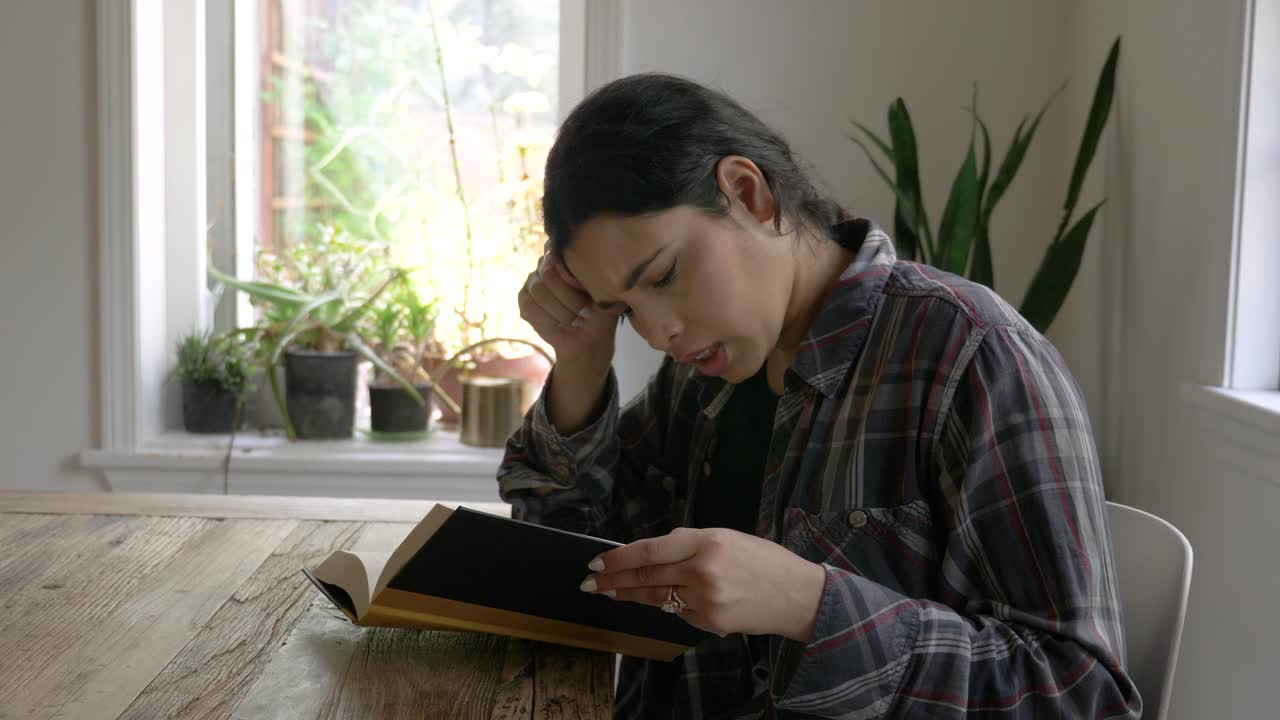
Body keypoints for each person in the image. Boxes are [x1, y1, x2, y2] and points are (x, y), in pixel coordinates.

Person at [497, 73, 1141, 719]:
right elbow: (575, 563)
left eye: (664, 276)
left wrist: (810, 606)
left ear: (748, 192)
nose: (659, 332)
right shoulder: (704, 375)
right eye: (624, 308)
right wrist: (582, 358)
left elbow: (1079, 695)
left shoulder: (972, 355)